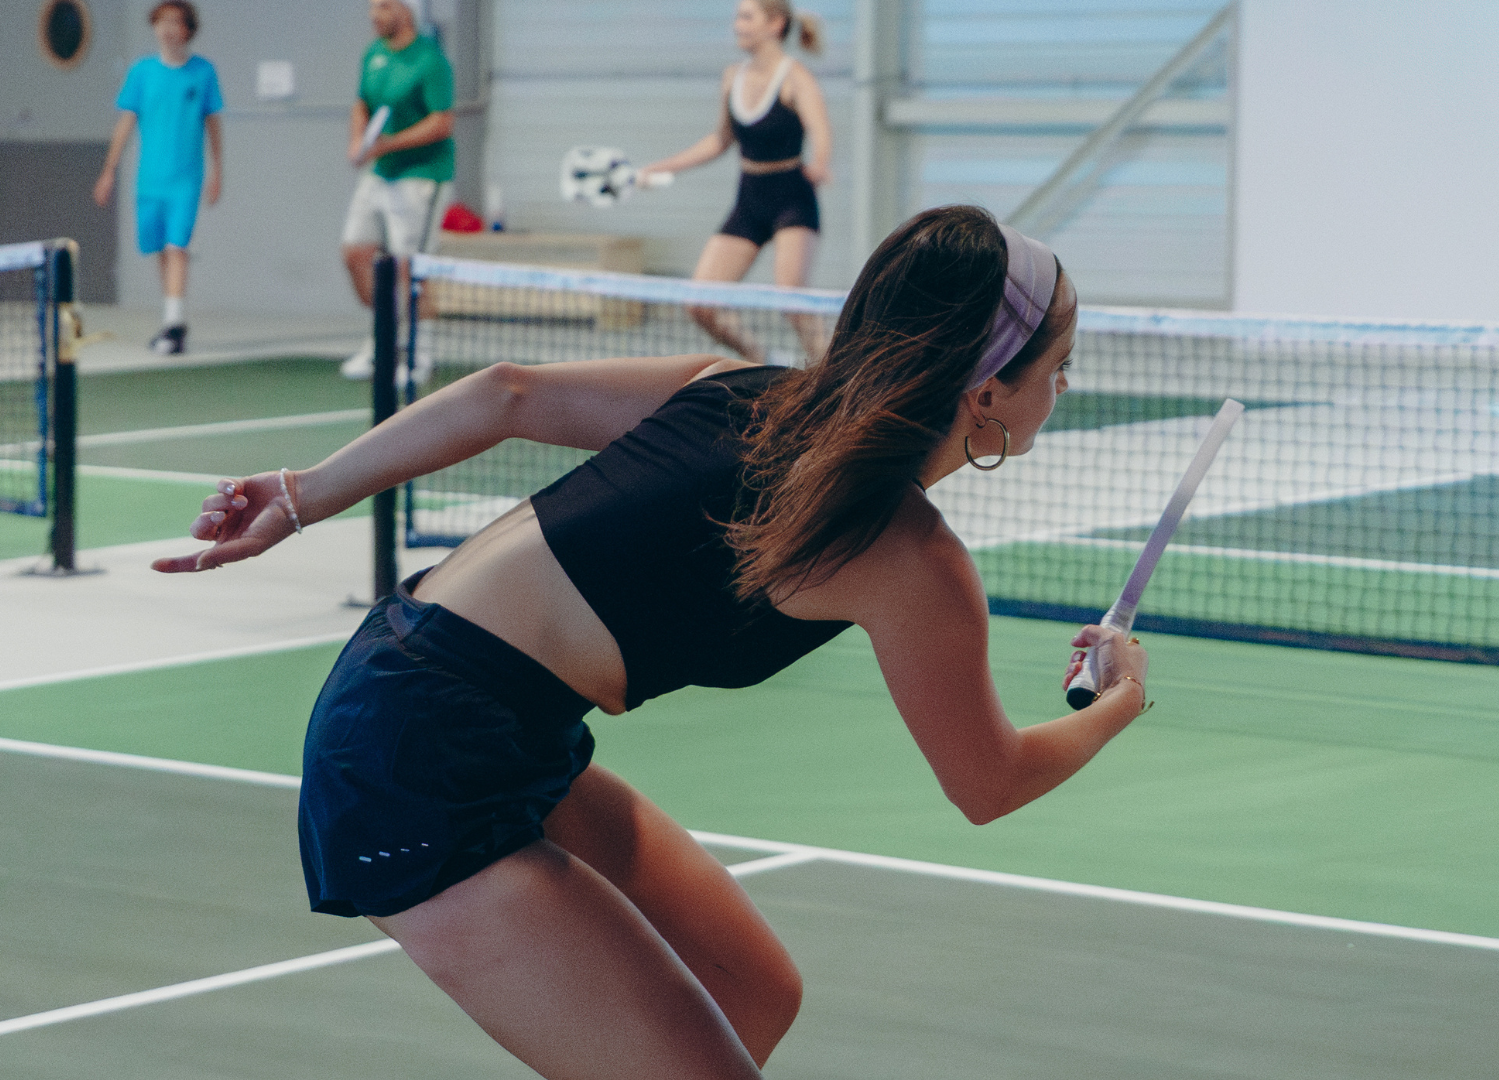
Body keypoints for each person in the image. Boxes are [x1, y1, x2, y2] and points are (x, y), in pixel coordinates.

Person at [154, 206, 1152, 1078]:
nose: (1064, 386)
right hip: (413, 757)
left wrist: (302, 493)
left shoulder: (747, 387)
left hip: (483, 713)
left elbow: (506, 393)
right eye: (1057, 366)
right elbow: (989, 783)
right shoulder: (911, 558)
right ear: (986, 394)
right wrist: (1119, 703)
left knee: (750, 991)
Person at [640, 0, 833, 364]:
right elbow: (719, 141)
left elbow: (820, 131)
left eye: (746, 17)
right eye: (737, 17)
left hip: (792, 199)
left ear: (775, 24)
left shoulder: (796, 77)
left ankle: (834, 378)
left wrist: (820, 163)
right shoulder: (732, 77)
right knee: (700, 304)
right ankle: (766, 362)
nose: (737, 25)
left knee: (793, 301)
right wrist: (661, 167)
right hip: (749, 201)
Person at [93, 1, 223, 357]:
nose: (167, 29)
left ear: (187, 29)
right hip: (150, 179)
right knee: (160, 249)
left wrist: (217, 171)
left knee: (177, 246)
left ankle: (174, 323)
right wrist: (108, 170)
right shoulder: (142, 72)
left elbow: (213, 124)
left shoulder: (203, 73)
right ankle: (171, 318)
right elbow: (125, 123)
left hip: (187, 178)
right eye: (161, 21)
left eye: (175, 22)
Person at [338, 0, 455, 381]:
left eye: (384, 6)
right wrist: (358, 141)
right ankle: (383, 341)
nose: (375, 14)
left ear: (405, 10)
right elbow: (362, 103)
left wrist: (389, 144)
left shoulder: (431, 60)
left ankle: (420, 355)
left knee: (411, 268)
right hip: (379, 174)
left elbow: (441, 123)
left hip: (422, 175)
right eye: (372, 6)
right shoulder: (372, 53)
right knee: (356, 252)